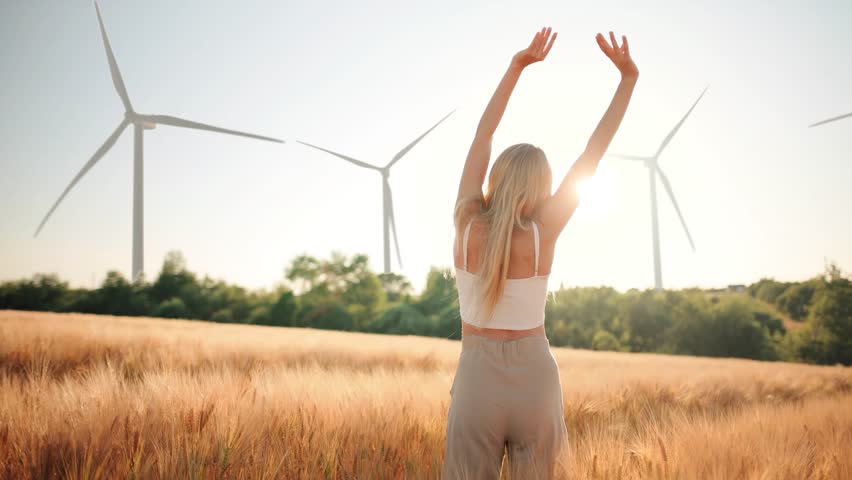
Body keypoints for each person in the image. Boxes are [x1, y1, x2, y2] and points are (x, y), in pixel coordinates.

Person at [442, 27, 638, 479]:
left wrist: (516, 68)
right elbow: (592, 155)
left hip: (477, 378)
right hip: (536, 378)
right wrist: (627, 80)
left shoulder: (466, 221)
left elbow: (482, 136)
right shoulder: (542, 233)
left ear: (495, 177)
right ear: (541, 187)